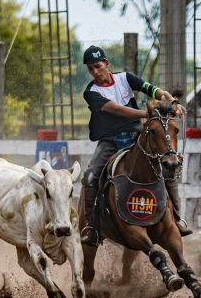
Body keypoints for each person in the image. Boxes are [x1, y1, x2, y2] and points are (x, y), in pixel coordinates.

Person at [80, 45, 191, 247]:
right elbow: (117, 109)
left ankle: (176, 219)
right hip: (109, 141)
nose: (95, 72)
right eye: (91, 69)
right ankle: (92, 226)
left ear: (106, 64)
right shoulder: (91, 92)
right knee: (90, 177)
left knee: (166, 165)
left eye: (97, 66)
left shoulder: (126, 78)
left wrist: (170, 100)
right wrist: (148, 114)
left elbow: (151, 89)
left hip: (135, 135)